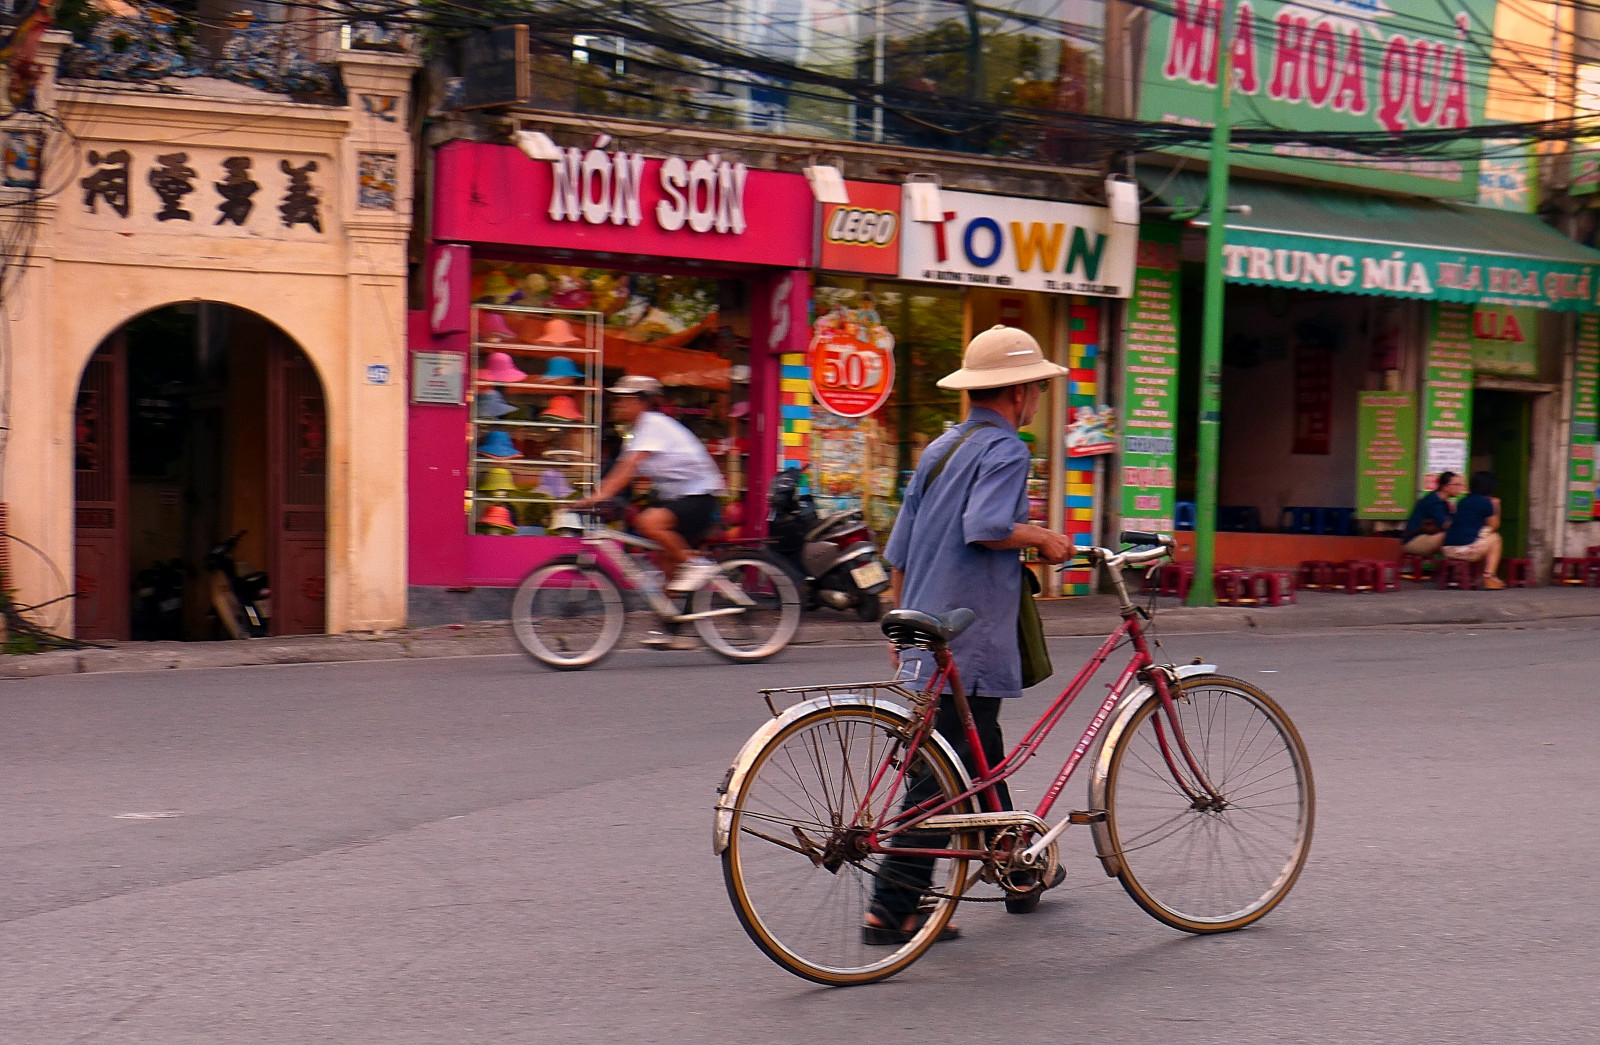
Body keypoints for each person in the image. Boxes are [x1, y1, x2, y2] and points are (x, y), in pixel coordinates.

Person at [864, 325, 1076, 945]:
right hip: (967, 632)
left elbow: (898, 548)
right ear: (1018, 392)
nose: (1037, 395)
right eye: (1035, 385)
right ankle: (893, 905)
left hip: (923, 626)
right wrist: (1041, 538)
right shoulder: (1007, 450)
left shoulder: (940, 448)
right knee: (948, 771)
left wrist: (900, 623)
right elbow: (987, 526)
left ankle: (1016, 865)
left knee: (973, 751)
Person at [573, 376, 726, 633]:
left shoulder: (654, 424)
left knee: (649, 524)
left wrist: (596, 498)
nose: (617, 404)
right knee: (669, 569)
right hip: (679, 498)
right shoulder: (638, 433)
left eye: (623, 399)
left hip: (699, 497)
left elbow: (628, 468)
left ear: (641, 402)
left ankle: (696, 566)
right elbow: (622, 471)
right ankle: (675, 632)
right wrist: (607, 498)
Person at [1441, 471, 1505, 589]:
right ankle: (1488, 576)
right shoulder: (1486, 502)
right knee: (1495, 539)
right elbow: (1494, 526)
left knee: (1481, 538)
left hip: (1447, 549)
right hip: (1465, 550)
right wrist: (1496, 507)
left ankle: (1470, 576)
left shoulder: (1462, 501)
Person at [1401, 471, 1464, 557]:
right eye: (1456, 485)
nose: (1459, 488)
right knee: (1449, 536)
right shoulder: (1433, 501)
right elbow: (1445, 525)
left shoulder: (1444, 503)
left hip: (1427, 537)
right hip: (1414, 541)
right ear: (1445, 487)